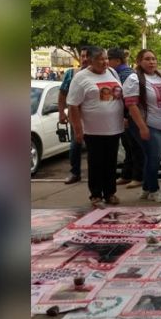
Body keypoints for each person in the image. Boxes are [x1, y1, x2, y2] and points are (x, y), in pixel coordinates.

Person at [66, 46, 124, 207]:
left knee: (111, 163)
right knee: (96, 163)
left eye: (106, 58)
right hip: (93, 130)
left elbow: (119, 97)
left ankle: (110, 193)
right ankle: (96, 195)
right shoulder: (81, 78)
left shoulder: (112, 72)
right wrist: (78, 129)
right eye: (100, 59)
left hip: (114, 127)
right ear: (90, 60)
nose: (105, 62)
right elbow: (73, 106)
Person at [123, 49, 161, 203]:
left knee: (154, 158)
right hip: (148, 125)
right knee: (153, 157)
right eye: (147, 59)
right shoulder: (134, 79)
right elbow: (131, 105)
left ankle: (146, 187)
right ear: (139, 61)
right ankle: (154, 190)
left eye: (154, 58)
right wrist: (142, 127)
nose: (152, 62)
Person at [109, 47, 144, 188]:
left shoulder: (125, 75)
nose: (107, 62)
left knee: (135, 147)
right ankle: (126, 174)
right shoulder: (117, 73)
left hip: (129, 116)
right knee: (128, 147)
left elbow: (127, 98)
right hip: (122, 116)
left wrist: (125, 116)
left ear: (117, 60)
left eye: (108, 59)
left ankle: (137, 176)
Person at [58, 46, 90, 185]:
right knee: (76, 145)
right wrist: (61, 113)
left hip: (96, 118)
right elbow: (62, 94)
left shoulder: (102, 73)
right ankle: (75, 172)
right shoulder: (72, 73)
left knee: (95, 147)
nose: (84, 59)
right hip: (76, 116)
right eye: (82, 56)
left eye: (86, 56)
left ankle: (97, 175)